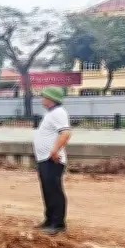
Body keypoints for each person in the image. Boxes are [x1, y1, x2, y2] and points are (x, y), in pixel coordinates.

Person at [33, 87, 71, 235]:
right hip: (45, 159)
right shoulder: (51, 113)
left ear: (51, 99)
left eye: (44, 97)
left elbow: (65, 133)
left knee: (54, 190)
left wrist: (54, 150)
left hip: (52, 159)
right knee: (47, 190)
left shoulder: (59, 113)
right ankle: (49, 220)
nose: (42, 99)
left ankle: (58, 223)